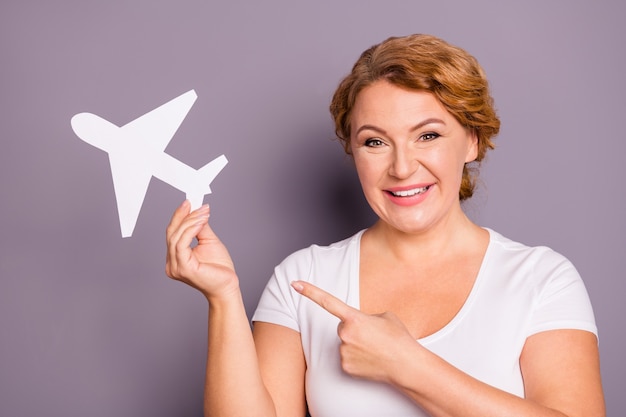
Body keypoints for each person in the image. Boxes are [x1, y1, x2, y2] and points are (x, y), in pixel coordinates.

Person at [165, 34, 605, 417]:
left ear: (472, 140)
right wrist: (222, 298)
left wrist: (407, 366)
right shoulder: (304, 280)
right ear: (353, 153)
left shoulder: (542, 280)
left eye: (428, 135)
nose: (401, 167)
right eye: (374, 142)